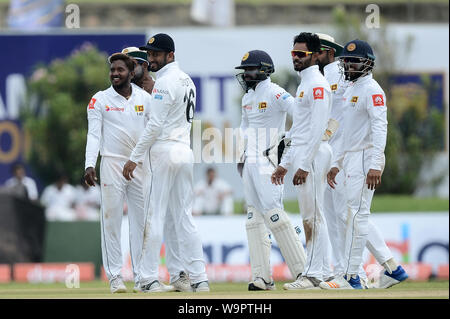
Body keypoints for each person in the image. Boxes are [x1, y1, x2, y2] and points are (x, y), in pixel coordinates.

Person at [317, 33, 406, 289]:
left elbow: (381, 128)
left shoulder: (372, 90)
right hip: (352, 156)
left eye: (355, 62)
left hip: (368, 156)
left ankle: (352, 276)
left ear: (368, 63)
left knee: (356, 215)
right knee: (351, 216)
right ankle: (390, 270)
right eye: (346, 62)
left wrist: (376, 165)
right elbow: (348, 133)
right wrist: (338, 163)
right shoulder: (351, 89)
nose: (349, 66)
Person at [122, 33, 210, 293]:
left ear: (170, 55)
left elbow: (155, 126)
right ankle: (200, 278)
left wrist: (134, 158)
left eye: (156, 54)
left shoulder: (163, 83)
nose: (151, 59)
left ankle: (148, 279)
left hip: (164, 151)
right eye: (149, 55)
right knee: (184, 218)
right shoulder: (188, 80)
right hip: (185, 150)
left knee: (155, 216)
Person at [84, 52, 161, 294]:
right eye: (112, 70)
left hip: (139, 166)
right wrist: (89, 164)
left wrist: (147, 161)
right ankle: (116, 277)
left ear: (131, 72)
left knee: (141, 223)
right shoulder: (99, 99)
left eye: (120, 70)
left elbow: (153, 131)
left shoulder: (144, 98)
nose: (115, 74)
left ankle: (143, 278)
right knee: (112, 221)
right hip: (111, 165)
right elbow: (94, 134)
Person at [235, 49, 307, 291]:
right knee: (253, 217)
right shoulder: (247, 98)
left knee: (274, 214)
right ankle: (262, 277)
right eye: (244, 70)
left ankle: (303, 272)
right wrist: (241, 155)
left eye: (251, 69)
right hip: (250, 163)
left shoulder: (276, 92)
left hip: (268, 162)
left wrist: (286, 147)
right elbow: (244, 129)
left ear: (264, 70)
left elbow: (300, 115)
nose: (246, 75)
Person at [271, 32, 333, 289]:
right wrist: (285, 163)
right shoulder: (305, 83)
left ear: (316, 55)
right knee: (313, 214)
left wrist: (305, 165)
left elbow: (318, 127)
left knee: (312, 216)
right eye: (293, 54)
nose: (295, 58)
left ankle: (313, 274)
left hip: (314, 154)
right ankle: (323, 271)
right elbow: (297, 128)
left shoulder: (317, 84)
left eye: (301, 54)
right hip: (305, 153)